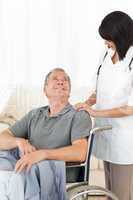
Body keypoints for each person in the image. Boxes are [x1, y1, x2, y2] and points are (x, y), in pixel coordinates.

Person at [0, 68, 91, 200]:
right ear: (45, 90)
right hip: (29, 163)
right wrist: (19, 141)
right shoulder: (35, 114)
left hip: (59, 167)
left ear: (69, 92)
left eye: (64, 80)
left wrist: (42, 154)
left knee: (18, 178)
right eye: (55, 79)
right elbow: (3, 137)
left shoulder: (78, 115)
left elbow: (80, 152)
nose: (61, 82)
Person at [75, 11, 133, 200]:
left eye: (109, 39)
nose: (105, 43)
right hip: (104, 133)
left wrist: (95, 111)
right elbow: (99, 89)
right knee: (109, 193)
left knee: (122, 194)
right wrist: (87, 103)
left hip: (124, 139)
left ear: (121, 36)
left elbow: (129, 108)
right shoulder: (106, 54)